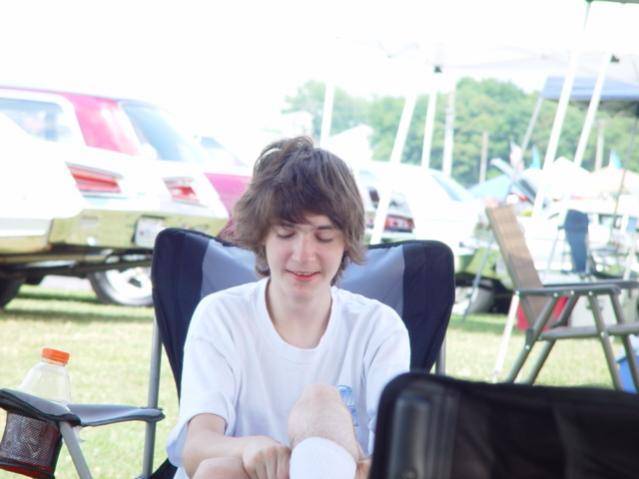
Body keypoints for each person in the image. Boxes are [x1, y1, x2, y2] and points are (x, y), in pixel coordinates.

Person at [167, 136, 410, 479]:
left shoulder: (378, 327)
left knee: (321, 404)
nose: (303, 255)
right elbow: (197, 447)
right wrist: (249, 448)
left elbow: (397, 457)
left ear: (346, 242)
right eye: (285, 233)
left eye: (323, 236)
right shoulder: (221, 316)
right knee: (217, 470)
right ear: (262, 236)